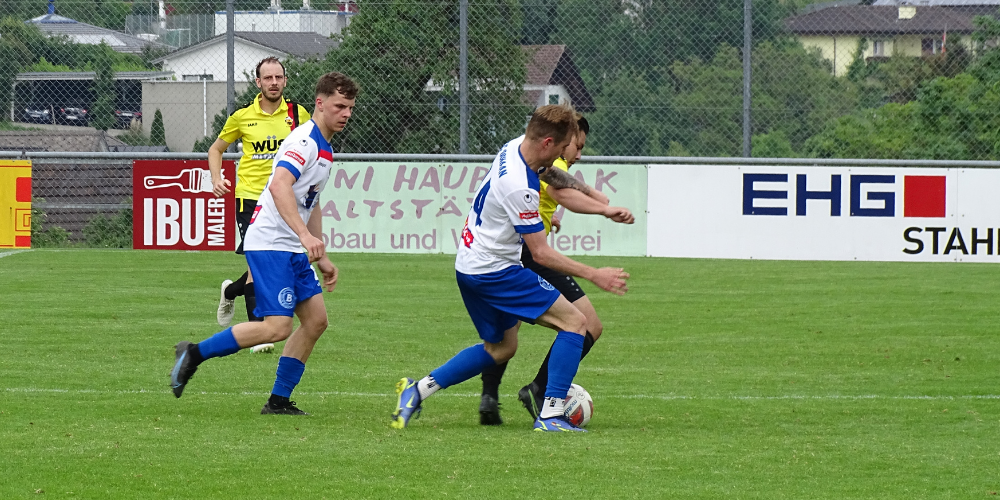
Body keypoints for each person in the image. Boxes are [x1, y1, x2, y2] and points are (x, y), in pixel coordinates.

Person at [390, 105, 629, 432]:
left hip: (469, 264)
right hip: (496, 271)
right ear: (547, 143)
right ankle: (550, 415)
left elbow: (550, 174)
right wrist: (594, 273)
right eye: (562, 148)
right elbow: (541, 254)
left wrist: (594, 198)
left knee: (501, 348)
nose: (563, 156)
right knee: (576, 323)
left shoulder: (516, 147)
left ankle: (416, 391)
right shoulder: (519, 186)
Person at [170, 72, 358, 415]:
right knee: (277, 327)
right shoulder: (305, 141)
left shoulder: (326, 147)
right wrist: (304, 236)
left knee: (316, 321)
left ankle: (278, 401)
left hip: (291, 246)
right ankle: (193, 353)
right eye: (339, 106)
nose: (346, 114)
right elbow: (279, 185)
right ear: (320, 103)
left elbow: (311, 201)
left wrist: (321, 254)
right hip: (271, 242)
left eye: (350, 108)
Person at [477, 115, 635, 425]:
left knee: (507, 332)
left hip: (508, 251)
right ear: (564, 140)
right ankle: (540, 391)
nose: (578, 155)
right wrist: (603, 208)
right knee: (588, 324)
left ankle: (489, 397)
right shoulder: (554, 159)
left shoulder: (526, 154)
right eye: (578, 146)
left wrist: (554, 214)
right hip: (528, 254)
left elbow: (550, 187)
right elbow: (559, 191)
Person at [209, 57, 311, 355]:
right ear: (258, 82)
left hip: (285, 198)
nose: (274, 83)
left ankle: (231, 290)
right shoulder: (242, 116)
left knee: (278, 261)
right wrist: (216, 178)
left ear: (285, 80)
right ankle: (260, 331)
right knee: (257, 265)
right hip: (251, 197)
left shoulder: (298, 114)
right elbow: (216, 149)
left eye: (278, 77)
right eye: (268, 78)